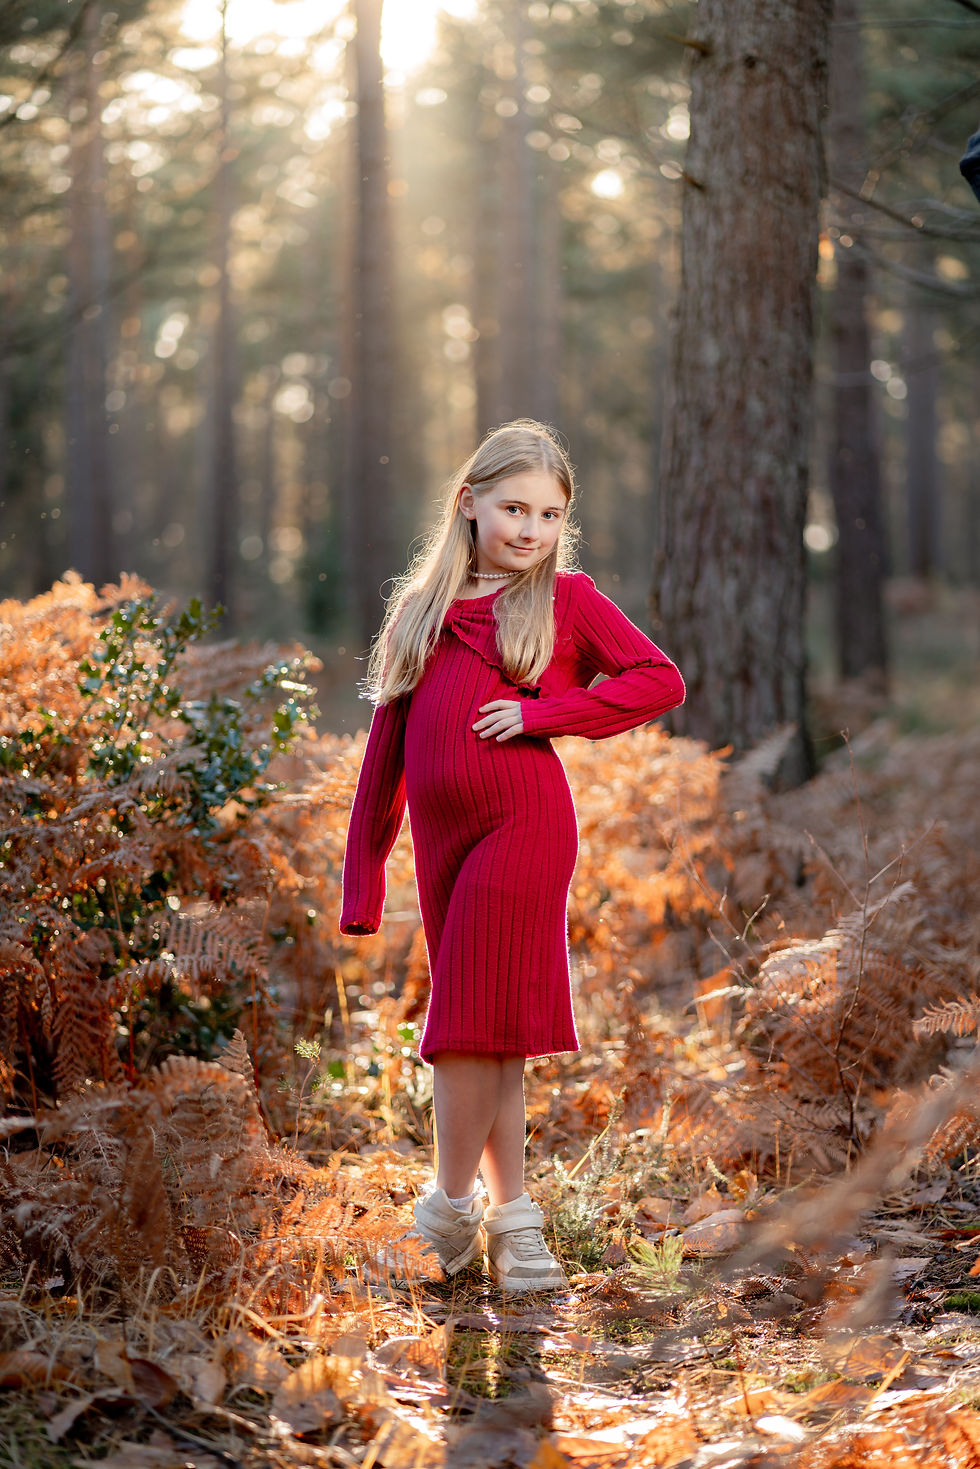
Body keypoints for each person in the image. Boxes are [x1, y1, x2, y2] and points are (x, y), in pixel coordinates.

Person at [340, 419, 685, 1292]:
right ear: (469, 503)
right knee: (492, 1035)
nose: (530, 529)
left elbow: (659, 680)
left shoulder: (563, 601)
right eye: (513, 507)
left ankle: (447, 1213)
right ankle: (517, 1227)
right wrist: (363, 874)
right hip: (442, 842)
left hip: (524, 824)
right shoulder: (418, 613)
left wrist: (541, 715)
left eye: (549, 514)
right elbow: (386, 755)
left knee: (462, 1026)